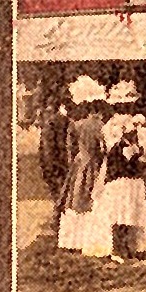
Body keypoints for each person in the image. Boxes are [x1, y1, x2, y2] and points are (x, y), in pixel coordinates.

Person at [97, 81, 146, 258]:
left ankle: (130, 246)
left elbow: (141, 148)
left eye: (128, 106)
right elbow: (108, 149)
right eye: (122, 106)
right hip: (118, 172)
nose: (126, 110)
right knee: (119, 210)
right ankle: (118, 248)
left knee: (131, 210)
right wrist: (124, 140)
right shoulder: (110, 126)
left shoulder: (133, 123)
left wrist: (136, 148)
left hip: (131, 172)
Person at [57, 81, 111, 254]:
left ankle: (74, 239)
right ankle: (90, 237)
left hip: (80, 164)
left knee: (76, 199)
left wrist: (74, 160)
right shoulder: (101, 126)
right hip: (95, 164)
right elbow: (103, 149)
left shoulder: (77, 125)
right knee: (92, 199)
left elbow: (70, 147)